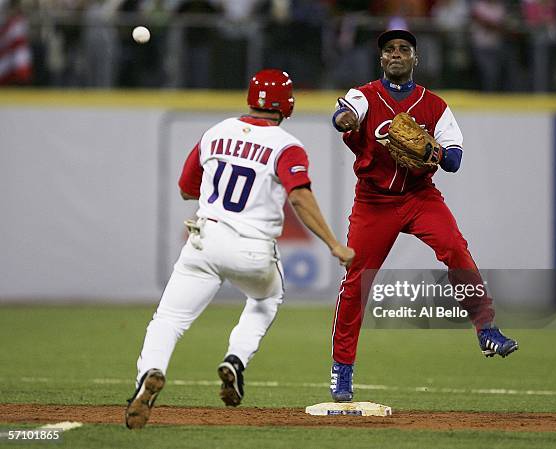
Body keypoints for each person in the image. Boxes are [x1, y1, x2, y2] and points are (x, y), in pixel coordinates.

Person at [125, 68, 355, 429]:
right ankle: (235, 359)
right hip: (252, 248)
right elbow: (299, 195)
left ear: (251, 98)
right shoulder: (285, 145)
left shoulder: (215, 132)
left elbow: (188, 188)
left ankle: (149, 375)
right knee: (266, 299)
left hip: (204, 240)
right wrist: (333, 243)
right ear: (287, 105)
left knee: (168, 319)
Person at [329, 30, 518, 403]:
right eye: (389, 50)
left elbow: (455, 161)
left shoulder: (435, 106)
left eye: (404, 49)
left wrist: (434, 152)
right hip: (373, 202)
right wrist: (346, 120)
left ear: (416, 58)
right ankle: (342, 369)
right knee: (356, 282)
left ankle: (486, 330)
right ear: (381, 60)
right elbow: (343, 114)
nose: (396, 54)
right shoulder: (364, 96)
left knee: (455, 249)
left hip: (420, 197)